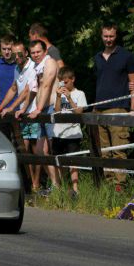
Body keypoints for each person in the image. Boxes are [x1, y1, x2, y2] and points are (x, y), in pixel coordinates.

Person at [93, 23, 134, 189]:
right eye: (105, 36)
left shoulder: (126, 56)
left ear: (116, 36)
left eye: (111, 36)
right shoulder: (97, 57)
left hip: (119, 108)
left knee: (119, 150)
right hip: (99, 109)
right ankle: (109, 184)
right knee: (104, 151)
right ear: (101, 35)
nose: (108, 39)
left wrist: (133, 109)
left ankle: (120, 185)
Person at [0, 42, 39, 192]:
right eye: (14, 54)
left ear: (26, 53)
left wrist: (11, 108)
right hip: (24, 114)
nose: (17, 57)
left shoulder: (32, 67)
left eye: (20, 54)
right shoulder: (16, 69)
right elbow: (14, 88)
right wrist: (1, 107)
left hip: (33, 111)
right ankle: (29, 185)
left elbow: (27, 90)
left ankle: (36, 185)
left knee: (36, 151)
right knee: (24, 150)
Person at [16, 40, 60, 192]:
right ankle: (55, 185)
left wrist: (39, 108)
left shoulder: (50, 63)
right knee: (41, 151)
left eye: (38, 52)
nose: (35, 55)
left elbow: (47, 85)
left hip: (50, 109)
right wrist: (24, 108)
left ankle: (58, 186)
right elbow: (32, 90)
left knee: (52, 150)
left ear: (45, 51)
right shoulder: (36, 67)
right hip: (42, 110)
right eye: (33, 52)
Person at [52, 67, 87, 198]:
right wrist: (58, 96)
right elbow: (56, 111)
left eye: (65, 82)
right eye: (61, 82)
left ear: (73, 80)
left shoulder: (80, 94)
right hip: (58, 132)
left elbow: (79, 112)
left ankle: (75, 189)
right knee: (59, 161)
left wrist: (70, 98)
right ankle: (61, 187)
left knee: (73, 162)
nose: (63, 85)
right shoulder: (58, 94)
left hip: (73, 133)